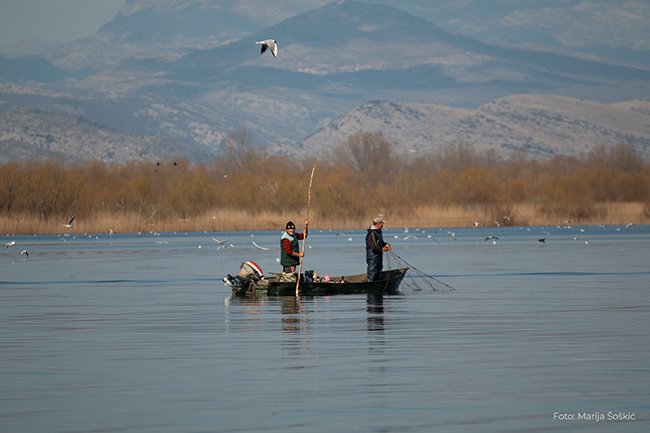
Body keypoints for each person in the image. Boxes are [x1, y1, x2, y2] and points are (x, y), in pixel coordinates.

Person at [365, 216, 391, 282]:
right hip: (373, 258)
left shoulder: (378, 232)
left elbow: (381, 243)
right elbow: (373, 247)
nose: (383, 225)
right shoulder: (371, 233)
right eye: (382, 223)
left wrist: (386, 244)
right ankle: (370, 288)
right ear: (377, 224)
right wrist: (382, 249)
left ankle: (377, 289)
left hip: (378, 257)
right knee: (372, 274)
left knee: (378, 272)